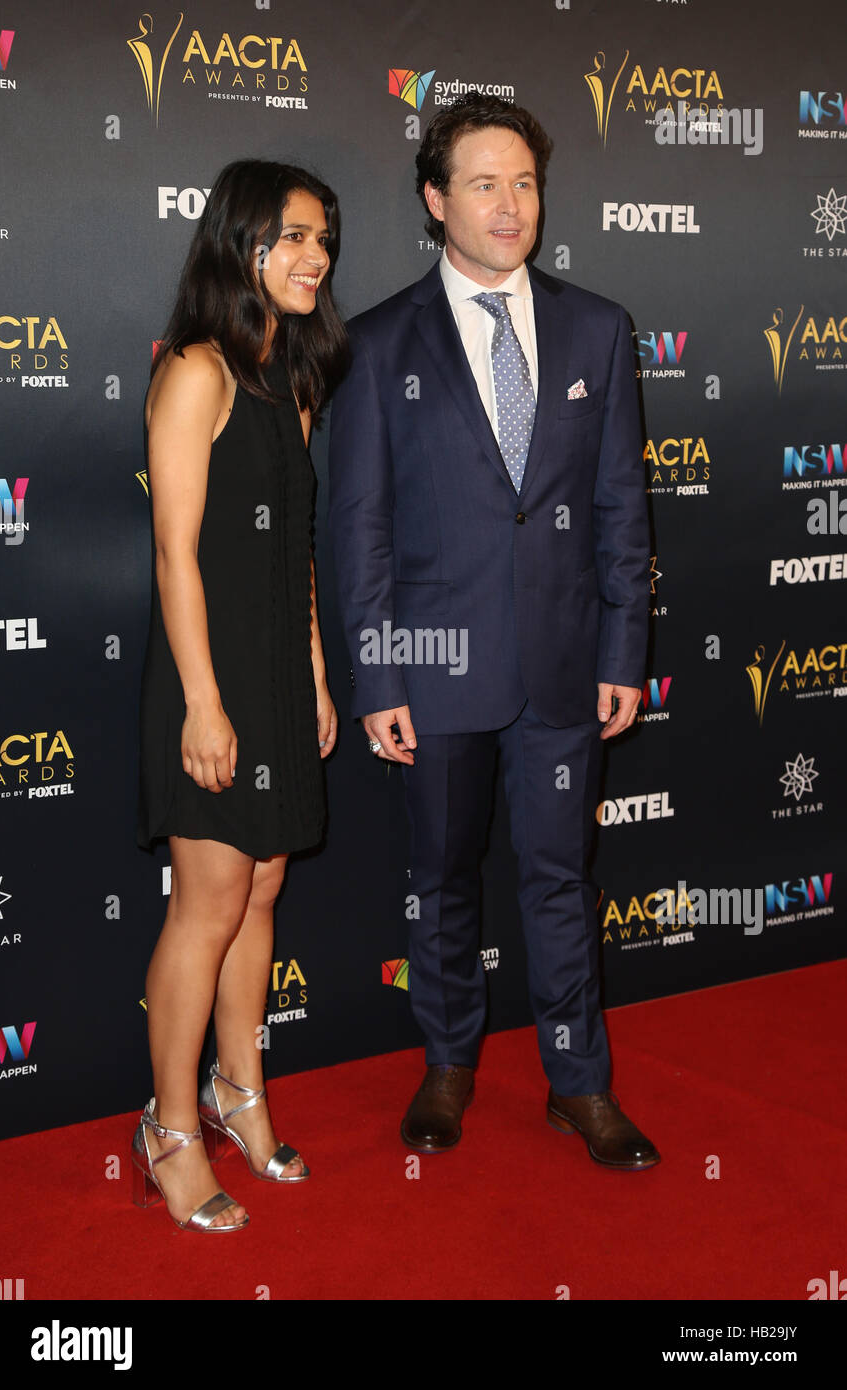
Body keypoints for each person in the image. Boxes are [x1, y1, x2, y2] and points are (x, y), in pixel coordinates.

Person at [329, 94, 659, 1170]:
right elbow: (361, 526)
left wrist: (622, 653)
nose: (509, 204)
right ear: (435, 200)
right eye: (482, 181)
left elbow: (620, 509)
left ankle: (578, 1084)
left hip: (564, 664)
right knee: (441, 877)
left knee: (562, 879)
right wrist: (377, 676)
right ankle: (447, 1065)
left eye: (522, 181)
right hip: (432, 668)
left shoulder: (596, 328)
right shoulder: (378, 343)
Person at [134, 159, 348, 1231]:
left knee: (261, 894)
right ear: (241, 242)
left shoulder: (288, 375)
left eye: (323, 240)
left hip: (273, 673)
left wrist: (310, 670)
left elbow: (298, 549)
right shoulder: (197, 372)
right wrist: (202, 703)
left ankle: (238, 1091)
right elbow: (176, 555)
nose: (316, 258)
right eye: (296, 237)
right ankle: (171, 1127)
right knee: (206, 904)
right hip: (207, 678)